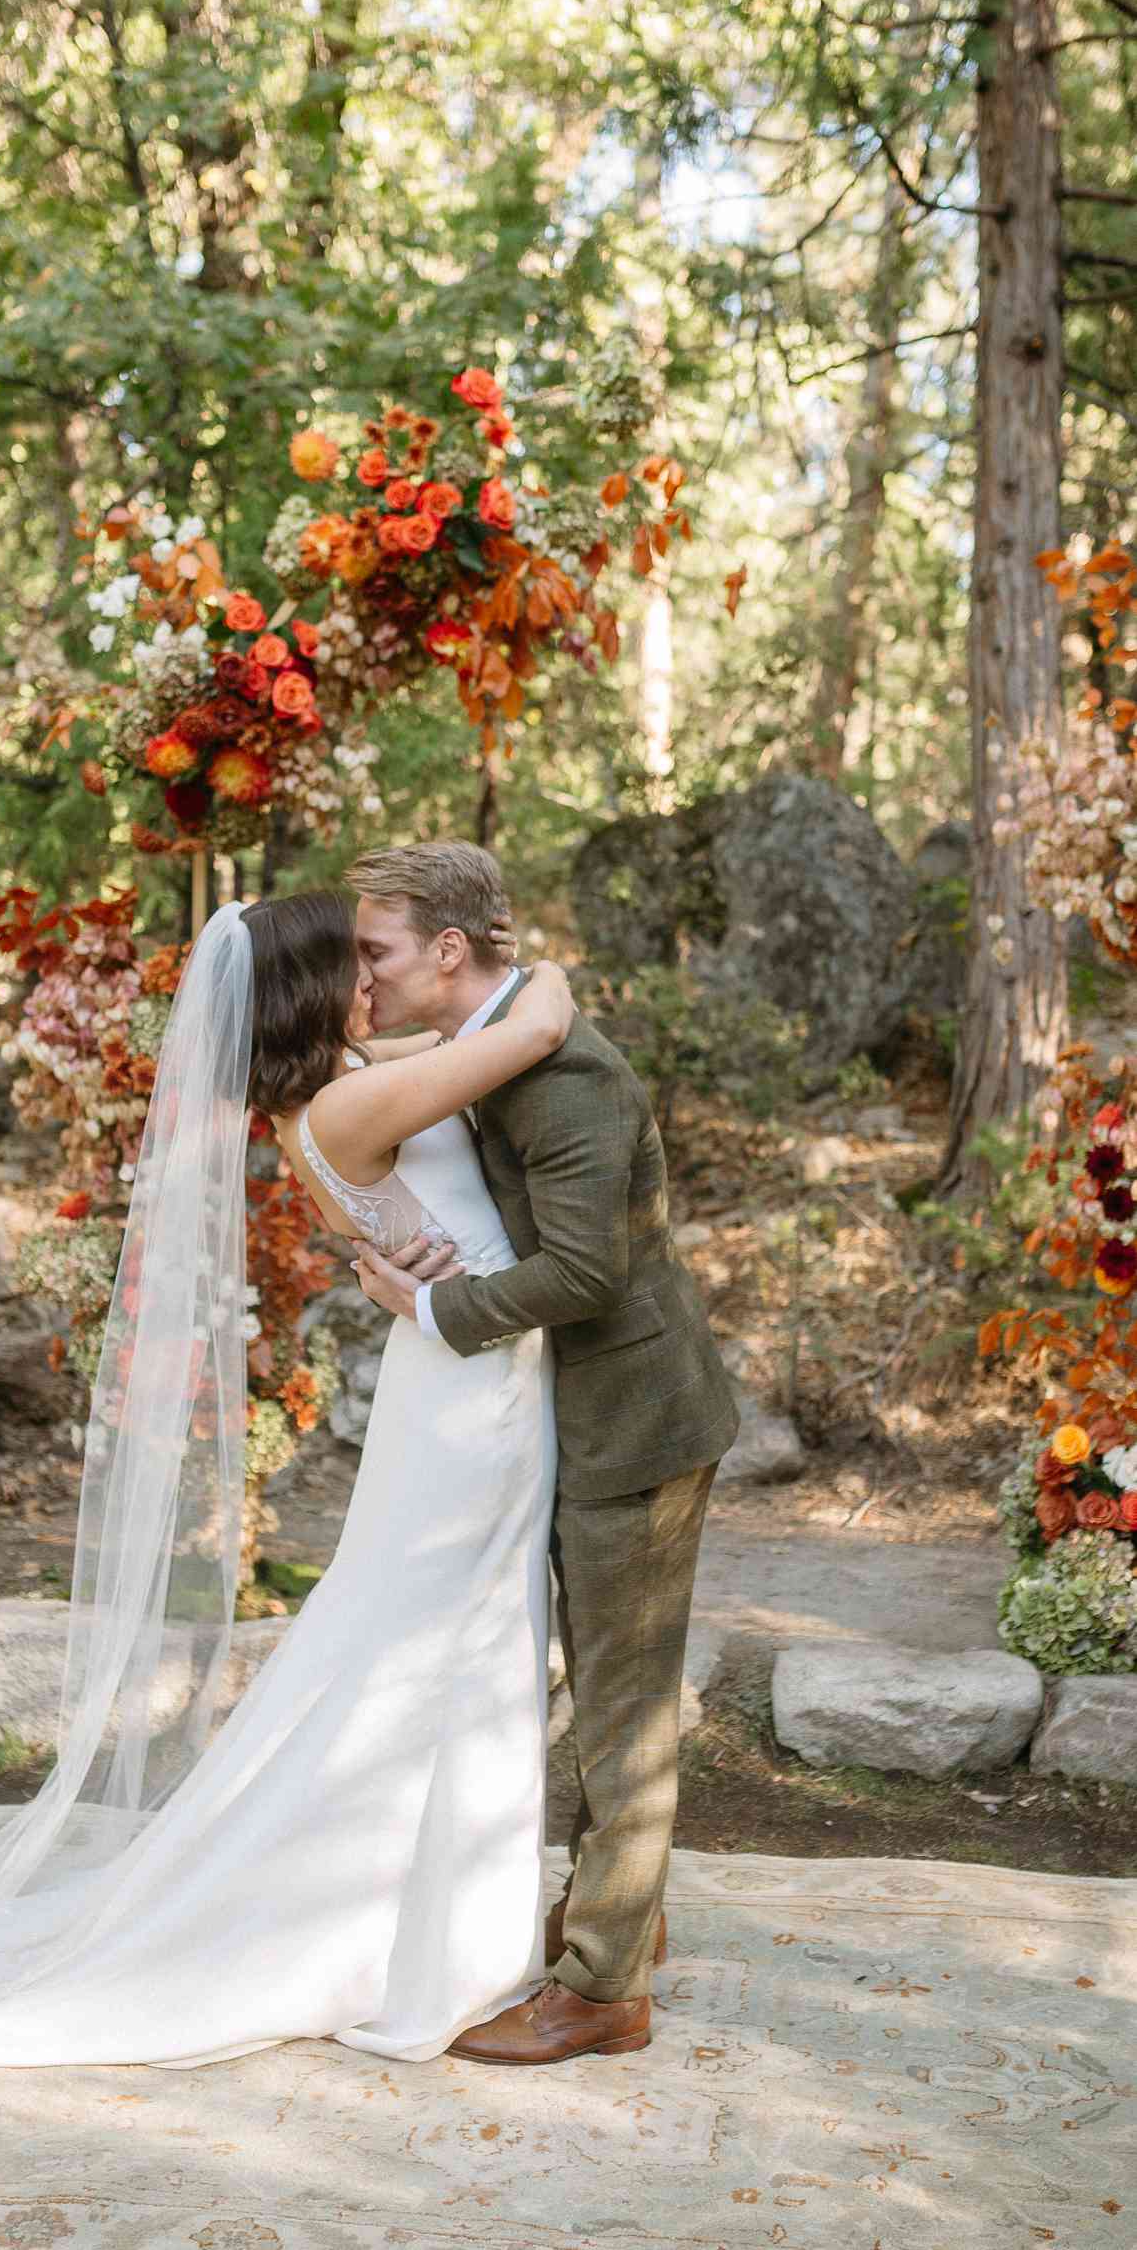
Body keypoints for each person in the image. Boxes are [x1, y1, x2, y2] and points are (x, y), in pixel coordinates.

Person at [0, 889, 579, 2072]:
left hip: (459, 1377)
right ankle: (413, 1941)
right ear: (310, 988)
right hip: (466, 1400)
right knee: (446, 1645)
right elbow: (531, 1028)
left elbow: (447, 1044)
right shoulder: (350, 1100)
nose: (375, 981)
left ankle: (424, 1910)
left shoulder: (329, 1089)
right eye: (354, 964)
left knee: (428, 1639)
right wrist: (545, 973)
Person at [347, 840, 740, 2066]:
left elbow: (583, 1271)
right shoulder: (504, 1030)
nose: (365, 972)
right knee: (603, 1685)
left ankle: (605, 1990)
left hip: (636, 1421)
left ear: (449, 953)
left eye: (379, 950)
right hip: (587, 1413)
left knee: (624, 1709)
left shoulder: (562, 1077)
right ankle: (615, 1913)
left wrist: (422, 1310)